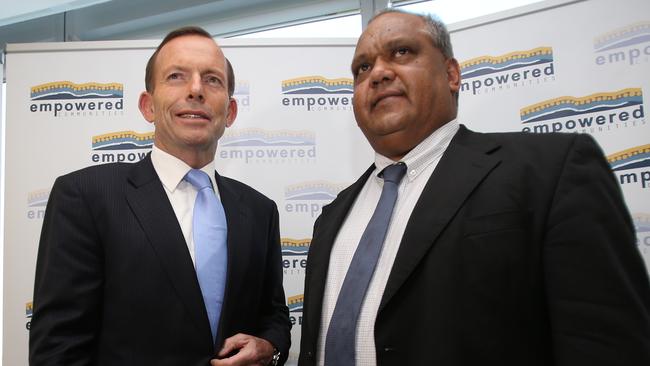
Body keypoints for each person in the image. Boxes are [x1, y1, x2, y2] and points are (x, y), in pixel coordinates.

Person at [298, 9, 650, 366]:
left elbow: (608, 344)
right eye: (362, 68)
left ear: (451, 74)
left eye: (401, 52)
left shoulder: (551, 169)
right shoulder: (333, 216)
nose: (379, 73)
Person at [29, 26, 290, 366]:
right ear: (148, 106)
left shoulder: (258, 210)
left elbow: (274, 315)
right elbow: (58, 349)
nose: (196, 90)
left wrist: (270, 346)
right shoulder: (85, 197)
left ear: (230, 112)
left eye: (212, 80)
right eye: (176, 77)